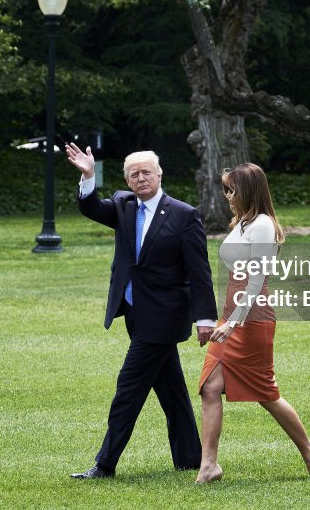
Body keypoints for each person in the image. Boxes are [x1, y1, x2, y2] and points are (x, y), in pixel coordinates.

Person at [65, 143, 218, 479]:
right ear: (127, 180)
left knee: (128, 388)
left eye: (146, 171)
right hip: (135, 312)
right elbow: (91, 208)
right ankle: (190, 458)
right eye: (134, 174)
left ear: (159, 175)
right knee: (172, 390)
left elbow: (199, 271)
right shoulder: (123, 205)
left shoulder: (183, 214)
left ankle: (105, 464)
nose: (140, 178)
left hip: (164, 316)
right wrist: (89, 175)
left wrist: (205, 318)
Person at [196, 163, 310, 483]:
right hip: (232, 313)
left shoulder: (263, 225)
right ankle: (209, 465)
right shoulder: (242, 222)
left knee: (265, 393)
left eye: (233, 190)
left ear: (249, 191)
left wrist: (233, 323)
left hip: (251, 319)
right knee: (210, 388)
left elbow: (257, 280)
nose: (228, 196)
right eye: (226, 189)